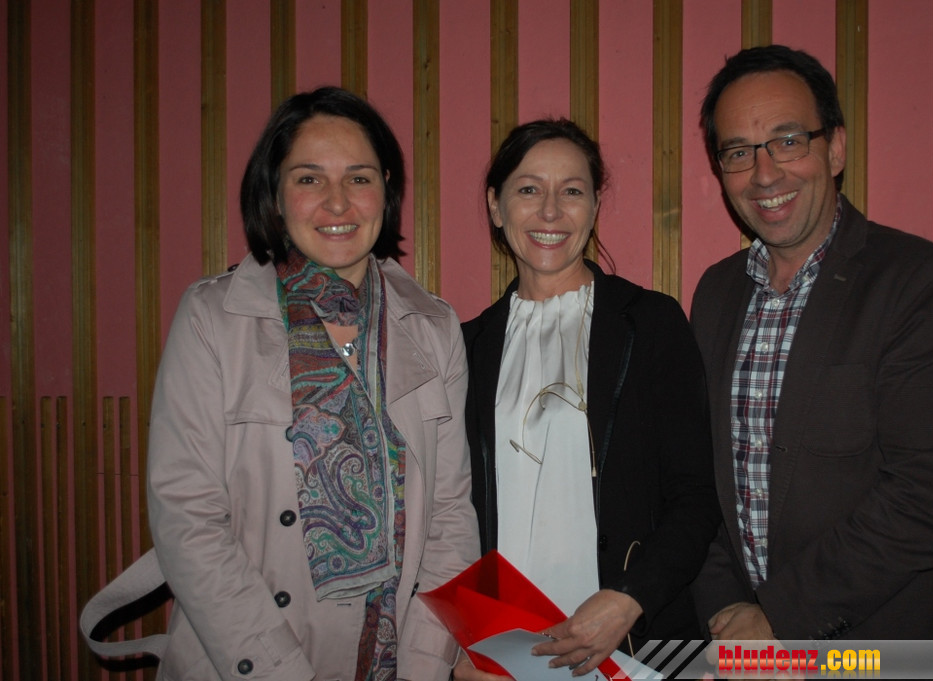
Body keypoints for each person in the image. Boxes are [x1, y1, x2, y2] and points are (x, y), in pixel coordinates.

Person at [146, 87, 479, 680]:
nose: (337, 202)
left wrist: (426, 664)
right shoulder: (213, 318)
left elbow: (451, 516)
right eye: (308, 179)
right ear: (275, 195)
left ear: (386, 189)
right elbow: (188, 517)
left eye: (358, 178)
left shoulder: (433, 326)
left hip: (394, 658)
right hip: (249, 658)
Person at [690, 45, 933, 641]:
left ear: (835, 149)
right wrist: (727, 613)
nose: (764, 174)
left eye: (788, 141)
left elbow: (931, 496)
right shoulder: (716, 293)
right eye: (739, 152)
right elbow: (706, 481)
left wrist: (780, 616)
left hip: (893, 647)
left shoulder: (917, 282)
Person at [457, 119, 720, 679]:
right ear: (496, 206)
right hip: (503, 652)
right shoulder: (464, 347)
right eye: (529, 189)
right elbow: (448, 515)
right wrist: (463, 641)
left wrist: (630, 598)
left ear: (595, 205)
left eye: (572, 191)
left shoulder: (650, 324)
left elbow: (697, 495)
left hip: (631, 646)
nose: (550, 211)